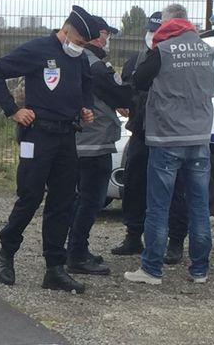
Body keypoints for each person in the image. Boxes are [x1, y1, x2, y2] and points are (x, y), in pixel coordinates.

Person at [0, 5, 99, 293]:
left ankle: (55, 269)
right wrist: (13, 110)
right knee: (30, 197)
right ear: (66, 32)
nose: (81, 48)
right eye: (79, 43)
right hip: (37, 137)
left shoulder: (79, 58)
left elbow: (86, 85)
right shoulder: (38, 49)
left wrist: (86, 108)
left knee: (62, 203)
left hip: (66, 137)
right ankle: (7, 252)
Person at [125, 4, 214, 285]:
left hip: (167, 137)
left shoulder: (163, 50)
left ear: (167, 23)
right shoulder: (205, 49)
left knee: (158, 206)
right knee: (199, 206)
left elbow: (138, 80)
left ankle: (152, 269)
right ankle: (199, 270)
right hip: (199, 137)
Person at [112, 12, 189, 264]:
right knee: (134, 183)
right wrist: (124, 104)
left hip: (169, 133)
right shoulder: (136, 60)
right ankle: (134, 235)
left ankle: (175, 241)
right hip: (141, 131)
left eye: (158, 30)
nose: (153, 35)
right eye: (151, 30)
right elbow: (126, 88)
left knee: (175, 187)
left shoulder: (175, 58)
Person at [66, 16, 132, 275]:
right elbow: (122, 94)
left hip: (73, 142)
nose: (108, 41)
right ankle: (78, 254)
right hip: (95, 144)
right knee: (91, 201)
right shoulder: (97, 66)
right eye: (107, 35)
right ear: (98, 35)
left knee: (73, 199)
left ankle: (69, 249)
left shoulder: (72, 59)